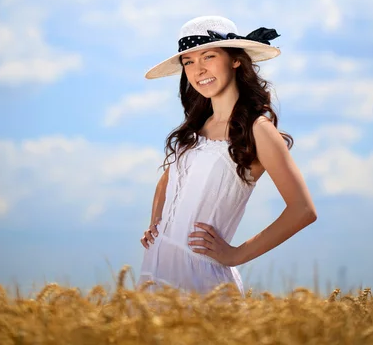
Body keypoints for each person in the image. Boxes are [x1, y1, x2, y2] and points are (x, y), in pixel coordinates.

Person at [136, 15, 317, 297]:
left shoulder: (258, 130)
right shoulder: (196, 128)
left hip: (202, 277)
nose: (198, 69)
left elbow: (303, 210)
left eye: (208, 56)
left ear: (235, 60)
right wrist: (155, 223)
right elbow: (167, 182)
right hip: (157, 268)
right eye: (189, 62)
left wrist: (236, 255)